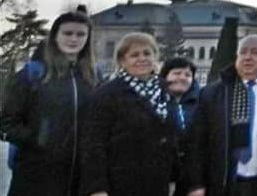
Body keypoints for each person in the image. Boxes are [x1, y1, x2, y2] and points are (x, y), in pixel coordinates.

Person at [186, 34, 257, 196]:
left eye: (255, 52)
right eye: (243, 52)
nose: (248, 57)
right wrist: (196, 184)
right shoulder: (213, 93)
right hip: (225, 182)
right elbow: (197, 142)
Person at [0, 10, 98, 196]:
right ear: (55, 36)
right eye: (67, 33)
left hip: (80, 178)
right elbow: (6, 122)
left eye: (80, 34)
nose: (74, 39)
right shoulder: (32, 74)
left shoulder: (94, 77)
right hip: (36, 177)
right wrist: (39, 139)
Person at [80, 32, 179, 196]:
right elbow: (94, 144)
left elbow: (171, 137)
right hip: (120, 183)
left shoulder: (166, 90)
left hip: (158, 182)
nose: (142, 58)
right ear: (122, 61)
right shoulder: (107, 94)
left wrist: (174, 178)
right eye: (134, 55)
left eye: (147, 53)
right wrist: (97, 188)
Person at [162, 57, 201, 196]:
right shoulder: (155, 102)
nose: (182, 78)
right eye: (177, 73)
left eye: (187, 75)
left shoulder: (202, 103)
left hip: (193, 175)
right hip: (163, 174)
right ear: (165, 76)